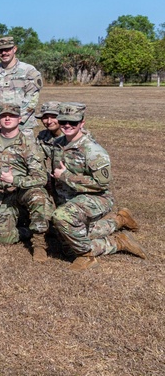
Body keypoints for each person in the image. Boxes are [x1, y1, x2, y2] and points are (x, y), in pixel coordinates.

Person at [50, 103, 145, 270]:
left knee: (63, 217)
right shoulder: (57, 143)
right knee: (67, 244)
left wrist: (65, 176)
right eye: (64, 121)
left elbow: (102, 183)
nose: (67, 126)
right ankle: (119, 226)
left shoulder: (93, 150)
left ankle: (89, 255)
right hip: (71, 198)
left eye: (73, 122)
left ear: (82, 123)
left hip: (97, 197)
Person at [0, 103, 51, 261]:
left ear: (20, 119)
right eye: (3, 116)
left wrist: (15, 180)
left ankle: (39, 244)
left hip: (24, 191)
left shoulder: (29, 144)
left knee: (38, 197)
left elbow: (40, 177)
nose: (7, 118)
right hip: (1, 195)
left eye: (12, 115)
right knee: (5, 239)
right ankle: (29, 228)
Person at [0, 36, 43, 129]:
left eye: (7, 49)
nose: (4, 53)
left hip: (23, 124)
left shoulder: (29, 71)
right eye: (0, 50)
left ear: (14, 49)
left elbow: (32, 99)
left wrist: (17, 119)